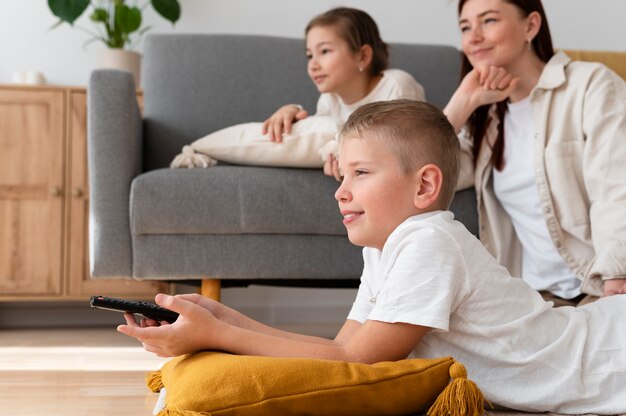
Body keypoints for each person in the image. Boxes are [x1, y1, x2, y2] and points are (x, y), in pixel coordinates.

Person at [118, 100, 626, 414]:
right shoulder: (388, 248)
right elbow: (339, 348)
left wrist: (218, 335)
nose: (341, 191)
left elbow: (355, 362)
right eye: (342, 176)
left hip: (606, 359)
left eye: (360, 174)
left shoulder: (429, 243)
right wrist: (219, 315)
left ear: (425, 185)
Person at [443, 0, 626, 307]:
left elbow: (616, 186)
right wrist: (462, 103)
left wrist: (616, 274)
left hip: (603, 284)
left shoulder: (591, 84)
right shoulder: (486, 122)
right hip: (536, 299)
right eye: (465, 27)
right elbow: (421, 172)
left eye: (488, 21)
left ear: (531, 26)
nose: (472, 37)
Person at [261, 7, 425, 179]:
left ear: (362, 56)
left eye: (324, 51)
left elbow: (407, 147)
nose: (313, 65)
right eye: (309, 55)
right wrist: (292, 111)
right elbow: (318, 134)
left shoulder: (396, 85)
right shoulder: (329, 98)